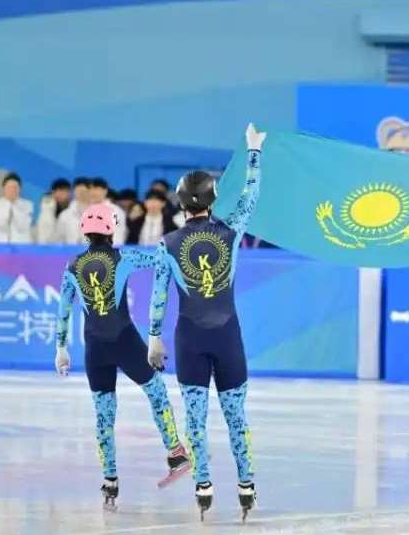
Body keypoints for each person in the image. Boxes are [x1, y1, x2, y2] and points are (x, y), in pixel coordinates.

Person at [151, 124, 265, 521]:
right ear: (213, 200)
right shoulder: (231, 232)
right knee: (237, 418)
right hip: (228, 337)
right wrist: (253, 152)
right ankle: (246, 485)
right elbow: (251, 195)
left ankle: (203, 485)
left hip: (189, 339)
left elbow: (159, 296)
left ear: (181, 203)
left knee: (194, 421)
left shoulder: (167, 243)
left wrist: (153, 339)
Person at [53, 203, 192, 511]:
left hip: (95, 350)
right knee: (157, 393)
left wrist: (60, 348)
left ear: (84, 231)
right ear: (111, 229)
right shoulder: (123, 257)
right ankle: (176, 453)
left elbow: (63, 310)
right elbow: (160, 258)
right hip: (125, 343)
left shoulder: (72, 267)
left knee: (104, 417)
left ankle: (110, 481)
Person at [0, 172, 34, 244]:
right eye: (9, 187)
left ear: (20, 189)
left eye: (15, 187)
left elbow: (23, 226)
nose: (12, 190)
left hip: (21, 246)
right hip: (2, 246)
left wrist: (14, 205)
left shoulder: (28, 205)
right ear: (4, 188)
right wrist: (9, 204)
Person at [88, 178, 127, 247]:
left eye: (97, 189)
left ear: (105, 191)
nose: (93, 192)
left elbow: (118, 236)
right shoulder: (86, 211)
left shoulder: (115, 211)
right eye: (91, 189)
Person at [56, 178, 93, 245]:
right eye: (78, 191)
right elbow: (59, 240)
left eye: (84, 191)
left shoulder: (99, 214)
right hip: (70, 253)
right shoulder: (65, 215)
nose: (81, 194)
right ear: (74, 192)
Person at [36, 178, 72, 244]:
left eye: (67, 191)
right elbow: (45, 236)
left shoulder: (71, 208)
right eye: (61, 191)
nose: (64, 194)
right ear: (53, 193)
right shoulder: (46, 209)